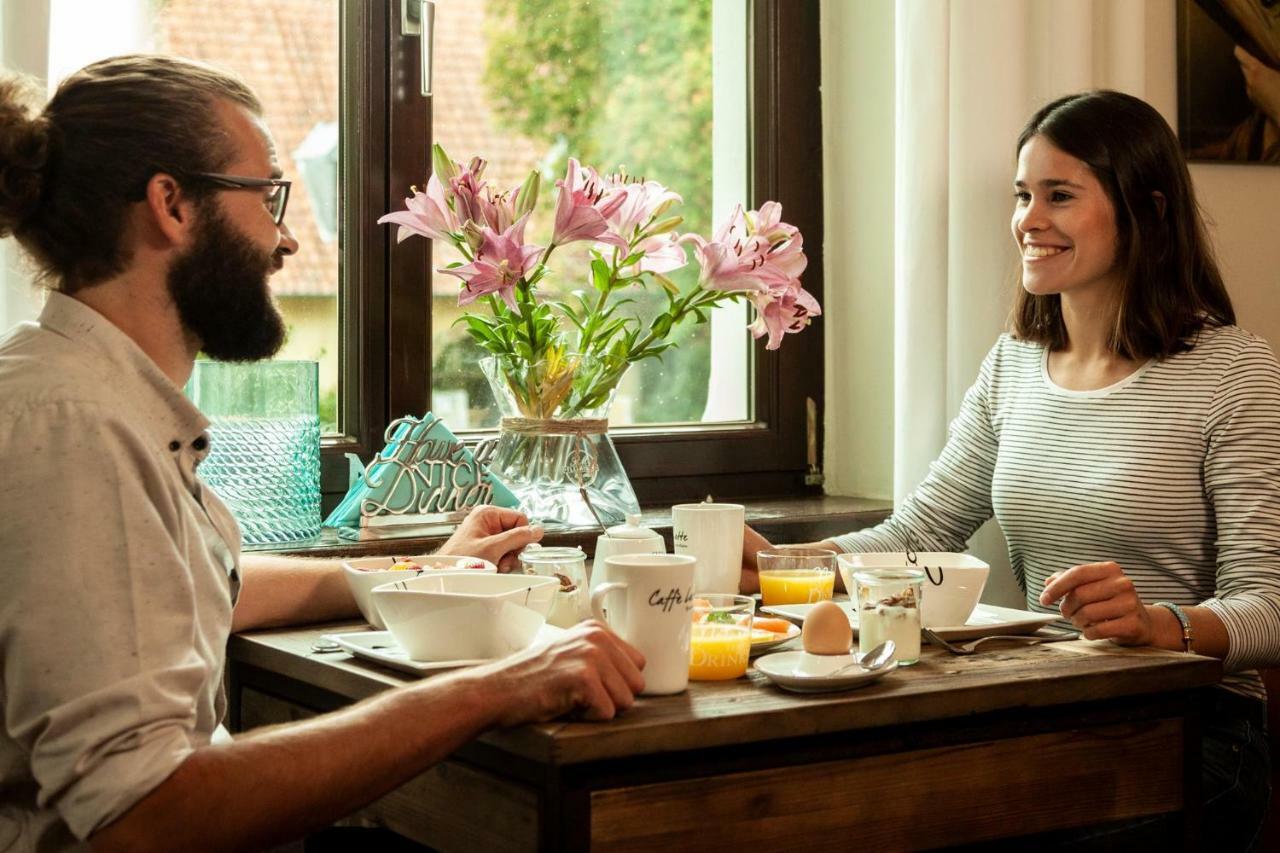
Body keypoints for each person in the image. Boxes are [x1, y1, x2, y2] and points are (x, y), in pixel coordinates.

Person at [0, 55, 645, 852]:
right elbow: (146, 815)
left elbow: (196, 593)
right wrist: (495, 689)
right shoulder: (74, 427)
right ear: (170, 203)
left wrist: (419, 572)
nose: (287, 238)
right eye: (268, 195)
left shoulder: (92, 395)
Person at [745, 90, 1280, 848]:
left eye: (1060, 195)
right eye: (1023, 194)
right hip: (1056, 714)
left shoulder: (1234, 373)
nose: (1028, 218)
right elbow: (922, 529)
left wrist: (1161, 624)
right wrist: (777, 563)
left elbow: (1273, 605)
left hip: (1198, 732)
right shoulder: (1015, 366)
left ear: (1148, 211)